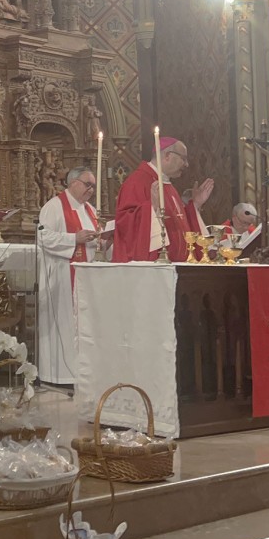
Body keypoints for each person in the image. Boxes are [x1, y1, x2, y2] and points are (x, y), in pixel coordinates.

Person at [37, 166, 101, 385]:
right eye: (87, 184)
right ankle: (59, 375)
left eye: (93, 185)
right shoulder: (54, 207)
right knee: (65, 326)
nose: (91, 190)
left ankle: (82, 374)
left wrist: (103, 241)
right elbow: (43, 238)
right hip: (62, 278)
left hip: (85, 278)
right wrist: (74, 239)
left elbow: (92, 239)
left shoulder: (90, 209)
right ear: (73, 183)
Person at [112, 137, 211, 262]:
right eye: (183, 158)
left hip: (178, 266)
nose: (186, 164)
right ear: (168, 155)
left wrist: (195, 205)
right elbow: (125, 224)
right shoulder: (137, 182)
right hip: (153, 268)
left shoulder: (168, 186)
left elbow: (179, 222)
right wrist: (150, 208)